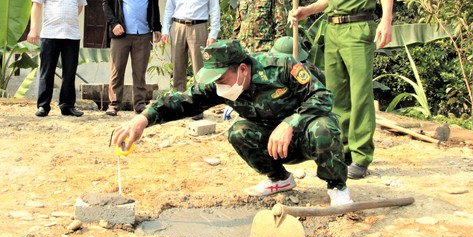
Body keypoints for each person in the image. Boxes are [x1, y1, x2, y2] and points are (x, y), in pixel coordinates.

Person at [113, 40, 353, 206]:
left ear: (242, 69)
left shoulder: (280, 66)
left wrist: (291, 123)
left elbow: (323, 97)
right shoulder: (222, 84)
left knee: (324, 127)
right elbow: (184, 100)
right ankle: (280, 179)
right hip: (274, 144)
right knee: (239, 131)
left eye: (221, 79)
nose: (218, 85)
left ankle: (337, 187)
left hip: (307, 135)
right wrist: (143, 119)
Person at [291, 0, 394, 180]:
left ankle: (361, 156)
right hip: (332, 31)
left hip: (359, 28)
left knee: (360, 94)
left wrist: (386, 20)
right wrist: (306, 11)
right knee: (336, 96)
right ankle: (344, 150)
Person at [28, 0, 87, 118]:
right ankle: (43, 106)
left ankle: (67, 105)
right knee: (47, 71)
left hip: (71, 34)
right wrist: (34, 29)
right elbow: (37, 5)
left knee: (69, 72)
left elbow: (81, 5)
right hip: (50, 34)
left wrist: (67, 17)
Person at [102, 0, 162, 116]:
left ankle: (140, 104)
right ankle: (114, 104)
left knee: (140, 71)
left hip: (143, 33)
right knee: (117, 70)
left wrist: (156, 27)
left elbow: (154, 4)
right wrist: (114, 23)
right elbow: (106, 3)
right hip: (121, 34)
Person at [161, 0, 220, 96]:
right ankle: (178, 100)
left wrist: (213, 34)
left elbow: (214, 9)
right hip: (178, 25)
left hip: (198, 27)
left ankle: (197, 103)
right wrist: (165, 30)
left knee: (199, 68)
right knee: (177, 66)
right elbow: (169, 7)